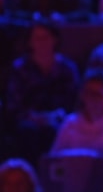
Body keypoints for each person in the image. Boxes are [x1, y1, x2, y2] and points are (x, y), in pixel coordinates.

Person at [4, 17, 80, 164]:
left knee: (57, 130)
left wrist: (55, 116)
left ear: (55, 39)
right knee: (28, 132)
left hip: (60, 121)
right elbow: (14, 105)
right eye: (37, 38)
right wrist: (35, 117)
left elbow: (74, 102)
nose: (42, 42)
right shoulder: (20, 69)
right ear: (30, 42)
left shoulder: (67, 69)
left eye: (45, 37)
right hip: (27, 123)